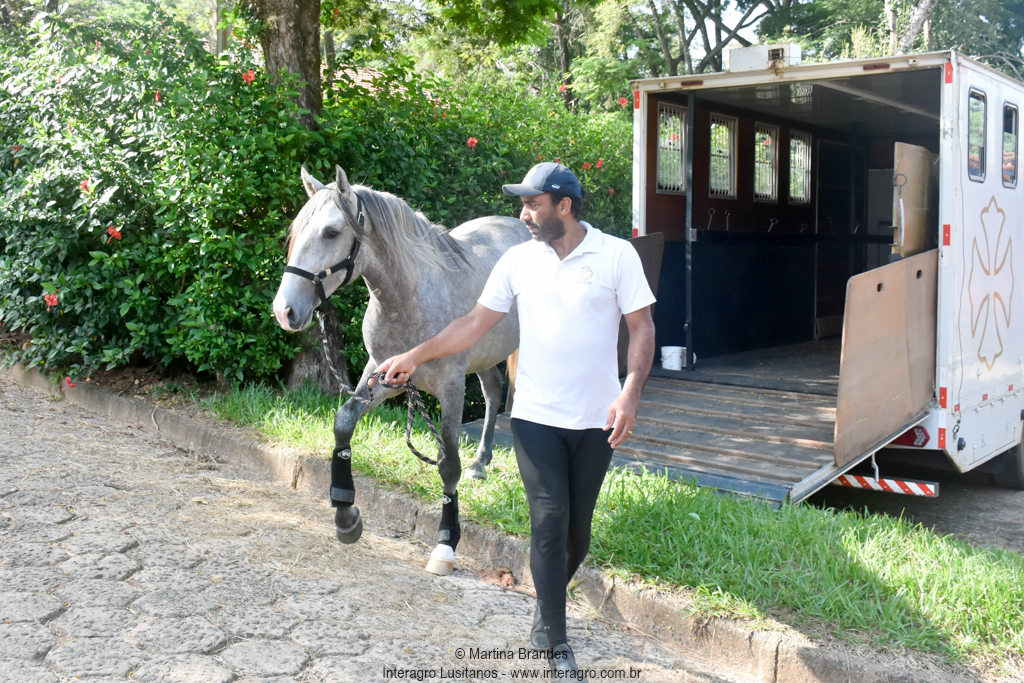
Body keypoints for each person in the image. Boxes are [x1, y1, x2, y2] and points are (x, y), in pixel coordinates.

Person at [374, 162, 656, 675]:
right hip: (535, 418)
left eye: (533, 204)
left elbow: (642, 329)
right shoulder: (518, 262)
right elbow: (472, 325)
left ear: (563, 206)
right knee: (549, 522)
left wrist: (630, 393)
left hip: (597, 418)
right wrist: (416, 355)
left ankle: (543, 618)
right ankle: (555, 640)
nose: (524, 214)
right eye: (522, 205)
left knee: (577, 534)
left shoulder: (617, 256)